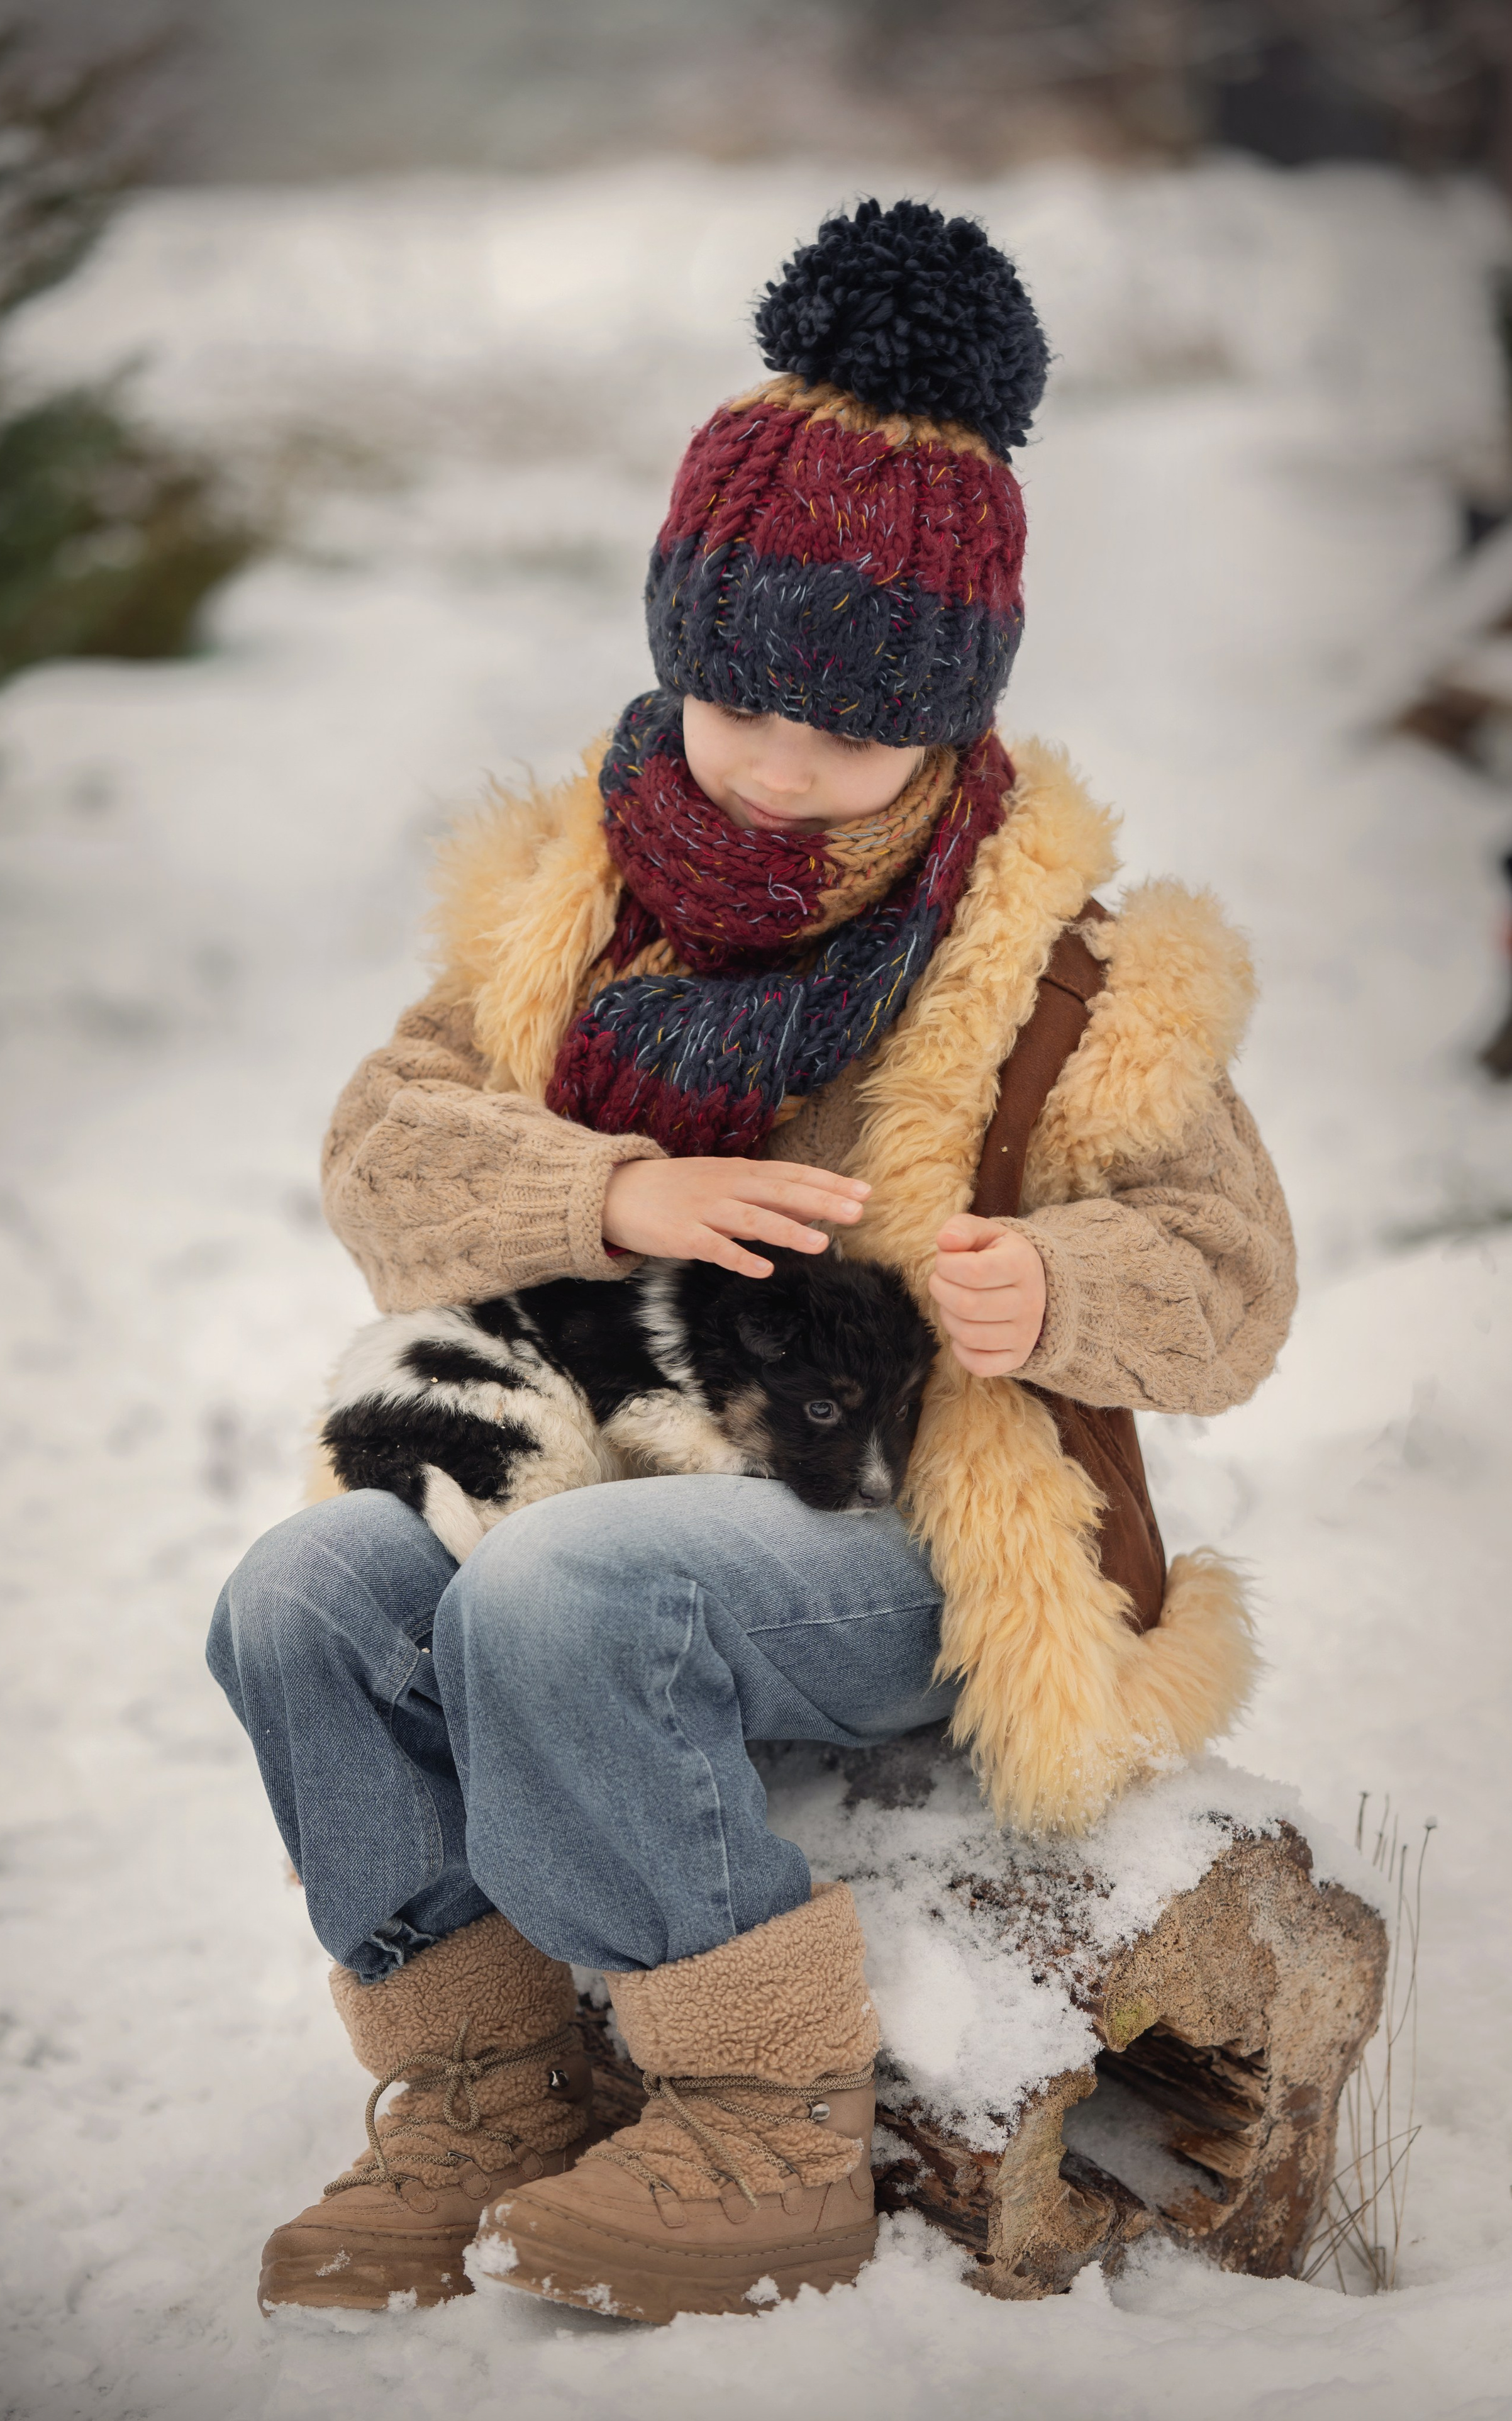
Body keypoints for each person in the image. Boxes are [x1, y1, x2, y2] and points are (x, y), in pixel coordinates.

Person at [208, 198, 1295, 2325]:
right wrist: (612, 1193)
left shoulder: (1064, 973)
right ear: (677, 652)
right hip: (610, 1471)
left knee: (557, 1586)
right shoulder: (573, 902)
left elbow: (1231, 1275)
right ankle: (492, 2068)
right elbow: (385, 1154)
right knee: (307, 1588)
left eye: (852, 729)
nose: (784, 771)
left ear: (952, 716)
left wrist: (1048, 1287)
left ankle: (760, 2112)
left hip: (905, 1536)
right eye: (739, 707)